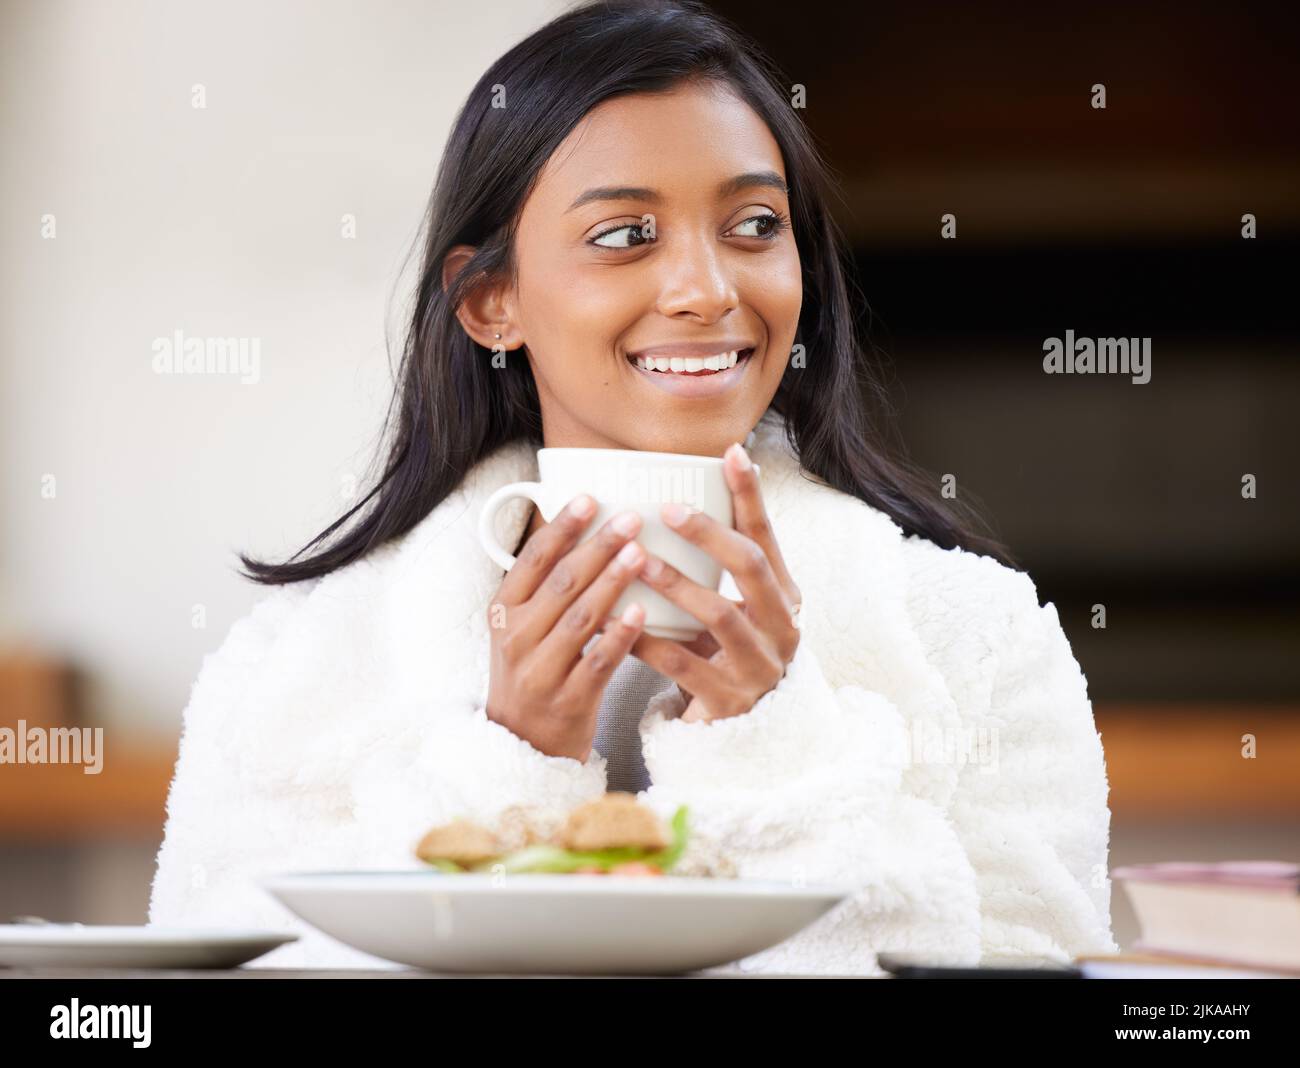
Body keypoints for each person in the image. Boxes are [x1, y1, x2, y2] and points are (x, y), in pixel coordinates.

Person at [148, 0, 1120, 974]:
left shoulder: (977, 640)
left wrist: (772, 749)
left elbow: (1036, 966)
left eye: (752, 224)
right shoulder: (294, 666)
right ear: (493, 301)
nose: (706, 289)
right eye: (623, 235)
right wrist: (509, 763)